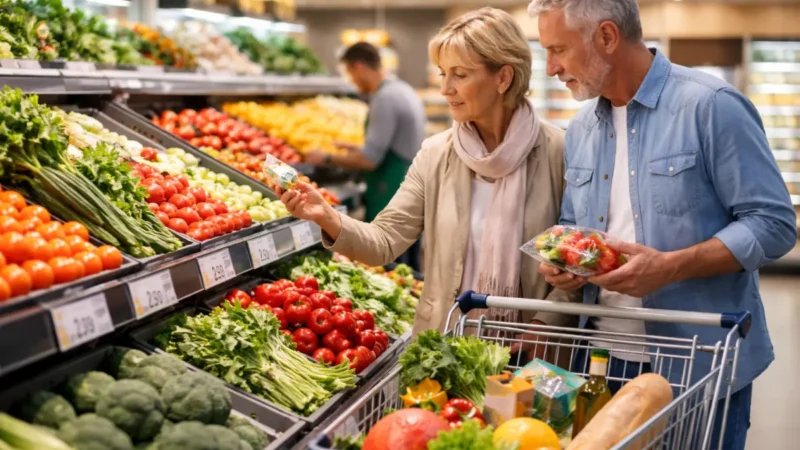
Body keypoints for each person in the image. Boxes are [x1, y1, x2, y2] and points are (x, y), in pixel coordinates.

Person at [528, 0, 797, 449]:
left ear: (607, 37)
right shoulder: (580, 130)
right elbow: (574, 225)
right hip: (601, 365)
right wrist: (567, 264)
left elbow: (773, 224)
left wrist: (671, 266)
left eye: (559, 50)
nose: (552, 67)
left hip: (698, 366)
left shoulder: (711, 106)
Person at [278, 7, 575, 339]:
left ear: (503, 78)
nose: (445, 88)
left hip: (528, 353)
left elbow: (578, 263)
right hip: (447, 345)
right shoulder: (436, 154)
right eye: (442, 73)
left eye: (460, 74)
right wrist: (327, 217)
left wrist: (543, 327)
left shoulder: (559, 152)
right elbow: (385, 241)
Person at [304, 42, 426, 270]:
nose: (352, 81)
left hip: (389, 191)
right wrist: (354, 148)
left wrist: (327, 158)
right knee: (408, 267)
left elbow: (369, 159)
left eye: (350, 73)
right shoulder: (403, 89)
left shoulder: (385, 98)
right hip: (408, 186)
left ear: (359, 66)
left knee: (389, 264)